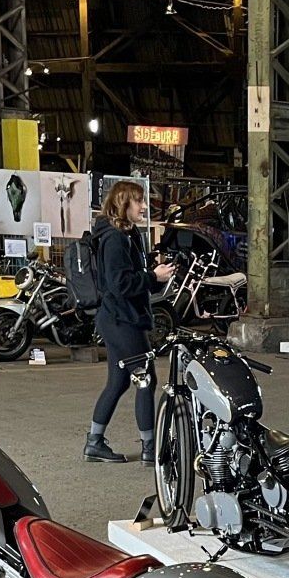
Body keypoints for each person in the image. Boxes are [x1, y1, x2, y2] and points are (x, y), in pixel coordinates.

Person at [84, 179, 175, 465]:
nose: (144, 206)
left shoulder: (126, 234)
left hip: (120, 317)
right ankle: (151, 449)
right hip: (120, 319)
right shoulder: (113, 238)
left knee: (119, 381)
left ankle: (94, 443)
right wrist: (153, 277)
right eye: (138, 201)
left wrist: (153, 271)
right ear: (123, 204)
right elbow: (119, 283)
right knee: (146, 379)